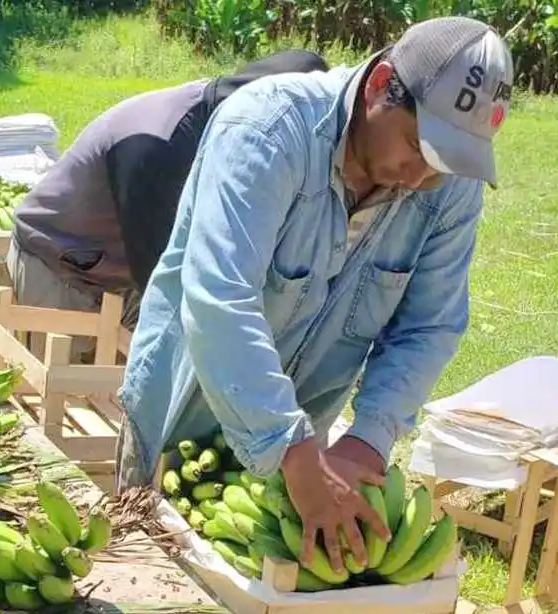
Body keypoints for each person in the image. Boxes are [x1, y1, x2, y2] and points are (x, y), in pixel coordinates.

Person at [115, 17, 514, 574]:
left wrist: (367, 442)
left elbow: (430, 326)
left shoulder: (449, 188)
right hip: (181, 414)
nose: (423, 177)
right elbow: (219, 297)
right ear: (379, 86)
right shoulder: (267, 129)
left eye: (447, 162)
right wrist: (290, 448)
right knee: (152, 593)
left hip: (308, 443)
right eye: (418, 147)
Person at [8, 50, 329, 359]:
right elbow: (163, 282)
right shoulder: (157, 146)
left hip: (119, 281)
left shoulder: (226, 119)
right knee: (84, 398)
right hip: (62, 275)